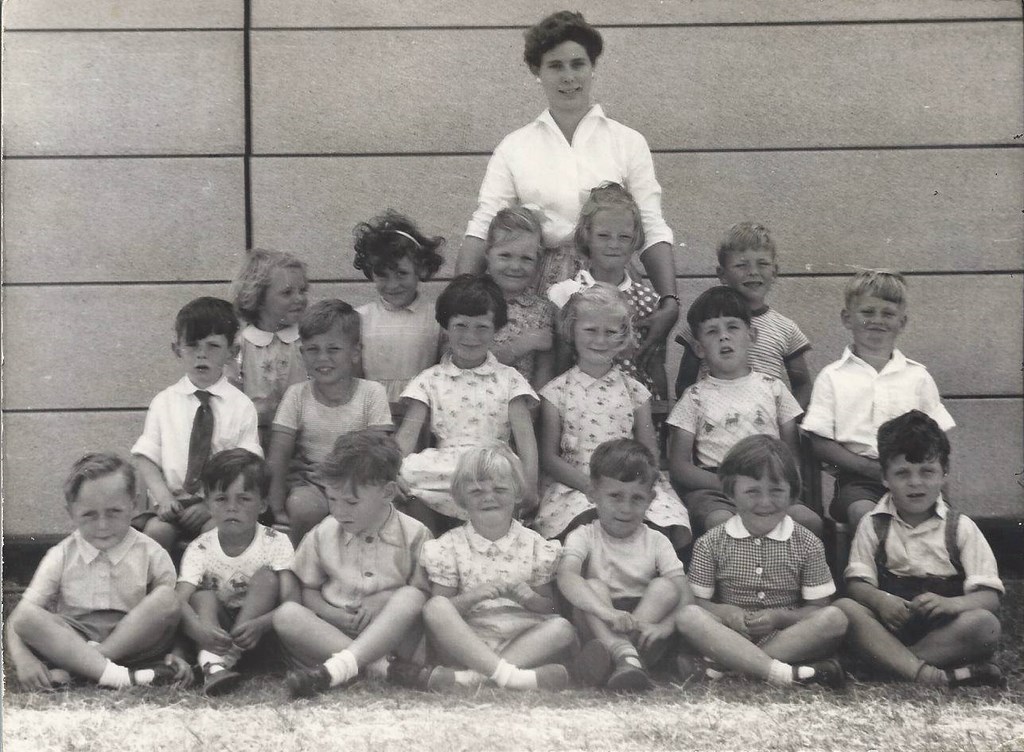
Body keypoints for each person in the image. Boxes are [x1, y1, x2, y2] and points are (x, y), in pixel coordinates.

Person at [457, 10, 680, 366]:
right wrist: (461, 297)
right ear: (537, 72)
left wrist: (669, 300)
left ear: (593, 67)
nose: (568, 77)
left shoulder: (627, 142)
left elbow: (651, 225)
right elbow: (484, 223)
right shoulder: (515, 146)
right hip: (539, 285)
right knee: (547, 385)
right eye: (555, 66)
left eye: (578, 64)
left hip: (612, 281)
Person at [835, 411, 1004, 687]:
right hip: (890, 627)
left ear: (944, 474)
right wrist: (880, 601)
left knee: (986, 624)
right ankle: (929, 675)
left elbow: (989, 597)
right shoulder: (873, 524)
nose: (915, 482)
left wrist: (952, 604)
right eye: (902, 473)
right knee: (845, 609)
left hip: (943, 631)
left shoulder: (960, 527)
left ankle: (893, 665)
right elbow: (857, 584)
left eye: (927, 471)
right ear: (885, 478)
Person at [393, 446, 574, 691]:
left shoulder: (536, 546)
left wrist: (529, 597)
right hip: (468, 642)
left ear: (517, 493)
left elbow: (550, 606)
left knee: (562, 627)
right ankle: (515, 678)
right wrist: (473, 597)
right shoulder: (449, 547)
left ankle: (471, 679)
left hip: (523, 639)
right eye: (476, 492)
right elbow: (443, 608)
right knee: (434, 607)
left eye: (500, 489)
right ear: (461, 499)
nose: (489, 497)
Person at [675, 436, 847, 688]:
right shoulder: (711, 542)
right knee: (688, 616)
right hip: (730, 636)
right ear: (731, 493)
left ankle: (725, 668)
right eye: (752, 491)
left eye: (776, 491)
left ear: (792, 495)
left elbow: (818, 607)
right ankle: (785, 674)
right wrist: (728, 613)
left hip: (787, 637)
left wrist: (780, 618)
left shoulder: (807, 542)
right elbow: (698, 602)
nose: (765, 502)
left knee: (835, 618)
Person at [6, 453, 187, 690]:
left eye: (114, 512)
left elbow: (175, 615)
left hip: (135, 641)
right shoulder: (61, 554)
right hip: (75, 639)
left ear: (134, 504)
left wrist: (180, 653)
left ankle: (86, 667)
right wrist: (24, 660)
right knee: (25, 616)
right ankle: (118, 675)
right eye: (89, 514)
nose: (102, 525)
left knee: (167, 598)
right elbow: (20, 618)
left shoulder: (151, 553)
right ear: (71, 512)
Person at [272, 429, 431, 697]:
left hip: (390, 637)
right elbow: (307, 590)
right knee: (286, 615)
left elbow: (424, 594)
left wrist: (382, 600)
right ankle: (380, 670)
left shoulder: (415, 534)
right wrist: (332, 613)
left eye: (351, 502)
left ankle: (345, 667)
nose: (339, 511)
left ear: (388, 492)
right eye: (332, 499)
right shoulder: (325, 531)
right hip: (335, 634)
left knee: (411, 597)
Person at [533, 284, 690, 547]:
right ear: (572, 331)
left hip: (630, 480)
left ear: (623, 335)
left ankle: (644, 571)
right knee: (581, 522)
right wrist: (590, 486)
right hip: (578, 484)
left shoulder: (634, 391)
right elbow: (549, 458)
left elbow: (648, 451)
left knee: (660, 520)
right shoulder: (555, 392)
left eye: (610, 332)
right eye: (591, 330)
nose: (600, 340)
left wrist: (632, 485)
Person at [801, 270, 955, 531]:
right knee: (868, 516)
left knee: (941, 521)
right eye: (867, 312)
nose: (877, 321)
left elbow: (938, 443)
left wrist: (946, 498)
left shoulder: (918, 377)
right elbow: (820, 443)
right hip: (859, 482)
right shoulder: (832, 377)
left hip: (914, 477)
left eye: (887, 314)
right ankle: (875, 572)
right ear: (847, 318)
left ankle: (921, 571)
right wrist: (872, 469)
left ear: (902, 322)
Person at [666, 287, 821, 537]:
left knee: (807, 522)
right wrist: (730, 486)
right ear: (699, 348)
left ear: (752, 335)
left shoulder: (774, 389)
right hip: (716, 489)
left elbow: (791, 454)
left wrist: (777, 487)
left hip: (769, 482)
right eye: (712, 331)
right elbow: (680, 466)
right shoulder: (694, 397)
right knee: (721, 523)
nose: (724, 337)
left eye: (732, 327)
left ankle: (791, 575)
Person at [396, 274, 539, 533]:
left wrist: (530, 485)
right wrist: (391, 471)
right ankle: (429, 547)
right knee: (406, 474)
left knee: (502, 476)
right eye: (461, 326)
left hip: (492, 464)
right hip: (445, 468)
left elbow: (526, 441)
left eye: (482, 327)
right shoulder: (430, 379)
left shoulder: (510, 379)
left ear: (496, 329)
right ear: (445, 327)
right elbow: (407, 435)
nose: (470, 336)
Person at [556, 440, 692, 691]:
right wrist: (608, 613)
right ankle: (624, 654)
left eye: (637, 498)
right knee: (593, 586)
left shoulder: (657, 540)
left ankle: (619, 662)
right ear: (592, 492)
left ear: (651, 499)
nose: (626, 508)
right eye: (615, 496)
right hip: (599, 622)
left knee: (665, 587)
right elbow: (567, 577)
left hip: (642, 624)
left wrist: (665, 627)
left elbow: (685, 595)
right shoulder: (584, 535)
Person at [132, 297, 262, 554]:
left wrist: (211, 504)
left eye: (213, 346)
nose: (201, 354)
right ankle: (162, 590)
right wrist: (164, 498)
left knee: (217, 535)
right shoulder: (164, 402)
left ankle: (208, 591)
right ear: (176, 349)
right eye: (192, 345)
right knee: (155, 535)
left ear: (231, 353)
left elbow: (247, 467)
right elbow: (146, 458)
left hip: (219, 506)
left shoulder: (241, 406)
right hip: (172, 506)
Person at [267, 299, 393, 547]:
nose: (323, 358)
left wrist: (336, 472)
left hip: (359, 482)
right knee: (303, 507)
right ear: (302, 353)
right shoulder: (297, 395)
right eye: (313, 349)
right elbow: (279, 454)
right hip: (313, 484)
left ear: (355, 352)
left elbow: (378, 449)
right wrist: (276, 505)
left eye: (333, 349)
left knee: (371, 509)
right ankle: (305, 571)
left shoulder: (371, 393)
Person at [176, 449, 298, 695]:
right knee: (202, 595)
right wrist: (203, 632)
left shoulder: (276, 542)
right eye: (221, 499)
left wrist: (261, 624)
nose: (232, 508)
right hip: (216, 634)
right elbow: (177, 602)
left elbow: (293, 602)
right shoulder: (200, 548)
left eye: (243, 499)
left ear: (262, 505)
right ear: (208, 503)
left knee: (266, 577)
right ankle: (214, 660)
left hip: (261, 636)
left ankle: (214, 662)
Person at [547, 182, 669, 398]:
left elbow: (656, 364)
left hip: (635, 410)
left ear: (635, 240)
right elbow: (559, 364)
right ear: (587, 236)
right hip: (579, 407)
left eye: (623, 237)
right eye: (604, 236)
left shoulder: (648, 300)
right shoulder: (568, 294)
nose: (614, 244)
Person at [674, 222, 813, 407]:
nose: (753, 272)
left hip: (766, 426)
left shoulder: (786, 328)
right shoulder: (705, 322)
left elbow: (803, 384)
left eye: (762, 264)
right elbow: (685, 381)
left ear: (775, 272)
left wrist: (786, 419)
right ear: (722, 274)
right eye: (741, 265)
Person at [353, 210, 445, 402]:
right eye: (382, 275)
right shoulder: (360, 318)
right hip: (373, 410)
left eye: (401, 273)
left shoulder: (437, 317)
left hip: (421, 410)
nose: (392, 285)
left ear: (420, 268)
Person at [230, 248, 310, 448]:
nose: (299, 298)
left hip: (303, 438)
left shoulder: (307, 340)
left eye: (302, 291)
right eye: (287, 292)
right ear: (258, 297)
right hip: (254, 437)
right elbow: (231, 394)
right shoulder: (241, 345)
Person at [484, 205, 558, 389]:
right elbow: (463, 360)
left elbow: (544, 370)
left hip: (521, 409)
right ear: (487, 254)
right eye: (505, 256)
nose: (515, 266)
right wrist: (520, 345)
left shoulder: (543, 310)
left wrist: (534, 408)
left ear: (538, 261)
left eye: (526, 258)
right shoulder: (470, 301)